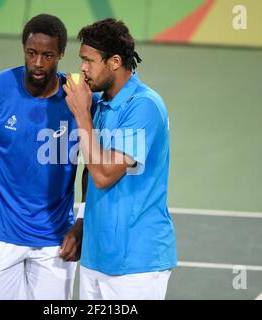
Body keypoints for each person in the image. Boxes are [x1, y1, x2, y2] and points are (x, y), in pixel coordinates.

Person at [0, 14, 96, 300]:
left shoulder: (79, 100)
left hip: (55, 243)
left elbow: (92, 166)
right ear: (23, 49)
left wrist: (83, 221)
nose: (38, 63)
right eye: (31, 53)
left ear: (61, 53)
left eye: (48, 55)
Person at [62, 18, 177, 300]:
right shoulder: (100, 104)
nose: (83, 68)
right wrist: (82, 222)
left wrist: (80, 114)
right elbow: (90, 169)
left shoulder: (144, 106)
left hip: (136, 264)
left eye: (89, 61)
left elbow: (103, 175)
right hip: (95, 257)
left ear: (114, 61)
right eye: (81, 60)